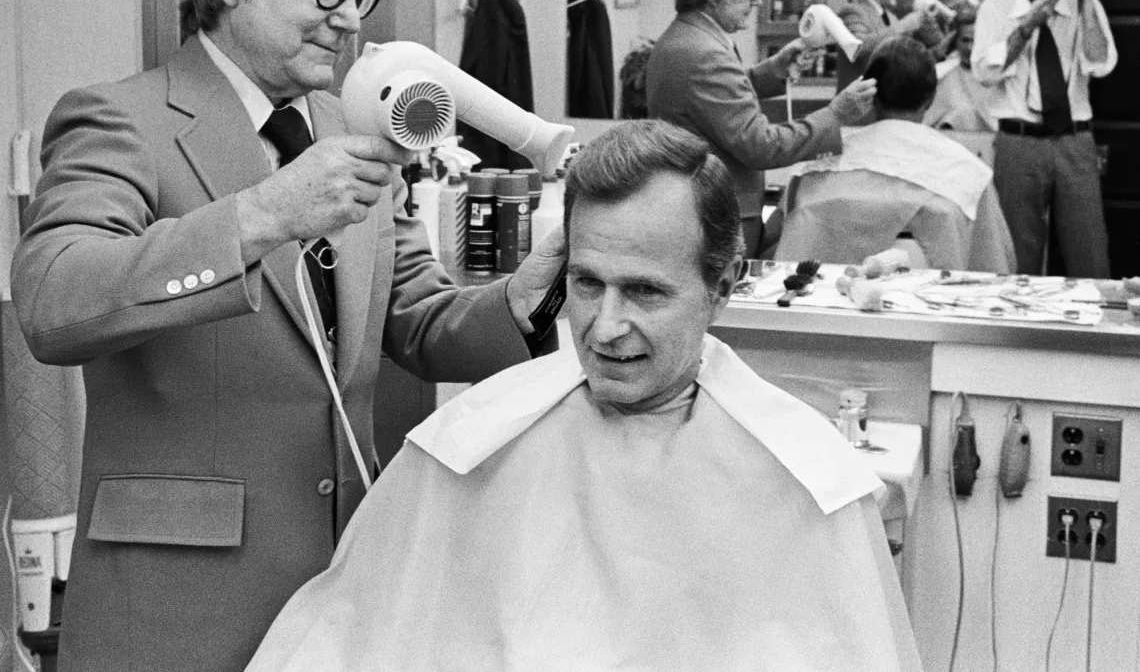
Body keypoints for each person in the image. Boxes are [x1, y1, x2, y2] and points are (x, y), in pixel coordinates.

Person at [9, 0, 562, 672]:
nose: (348, 20)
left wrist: (525, 296)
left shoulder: (350, 122)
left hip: (343, 589)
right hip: (175, 610)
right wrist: (263, 213)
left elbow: (416, 316)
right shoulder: (120, 119)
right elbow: (53, 300)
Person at [244, 119, 923, 672]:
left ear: (721, 286)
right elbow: (345, 644)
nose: (605, 326)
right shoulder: (470, 446)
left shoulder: (805, 484)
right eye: (588, 283)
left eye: (647, 291)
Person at [646, 0, 878, 257]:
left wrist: (773, 71)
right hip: (716, 218)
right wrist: (837, 114)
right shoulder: (704, 54)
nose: (758, 0)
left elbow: (714, 105)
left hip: (702, 209)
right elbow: (762, 146)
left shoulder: (689, 38)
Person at [776, 36, 1015, 273]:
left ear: (871, 96)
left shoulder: (814, 169)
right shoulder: (969, 173)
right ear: (930, 98)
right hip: (934, 301)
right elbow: (993, 269)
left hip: (819, 300)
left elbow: (778, 254)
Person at [971, 0, 1117, 277]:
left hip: (1074, 141)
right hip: (1018, 142)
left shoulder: (1087, 7)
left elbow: (1100, 65)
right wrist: (1027, 25)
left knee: (1089, 250)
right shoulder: (997, 8)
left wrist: (1086, 3)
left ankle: (1091, 329)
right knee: (1017, 254)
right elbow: (984, 72)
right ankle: (1018, 330)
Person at [836, 0, 937, 90]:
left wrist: (942, 48)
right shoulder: (852, 11)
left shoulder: (892, 18)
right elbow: (856, 48)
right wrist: (902, 27)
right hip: (856, 103)